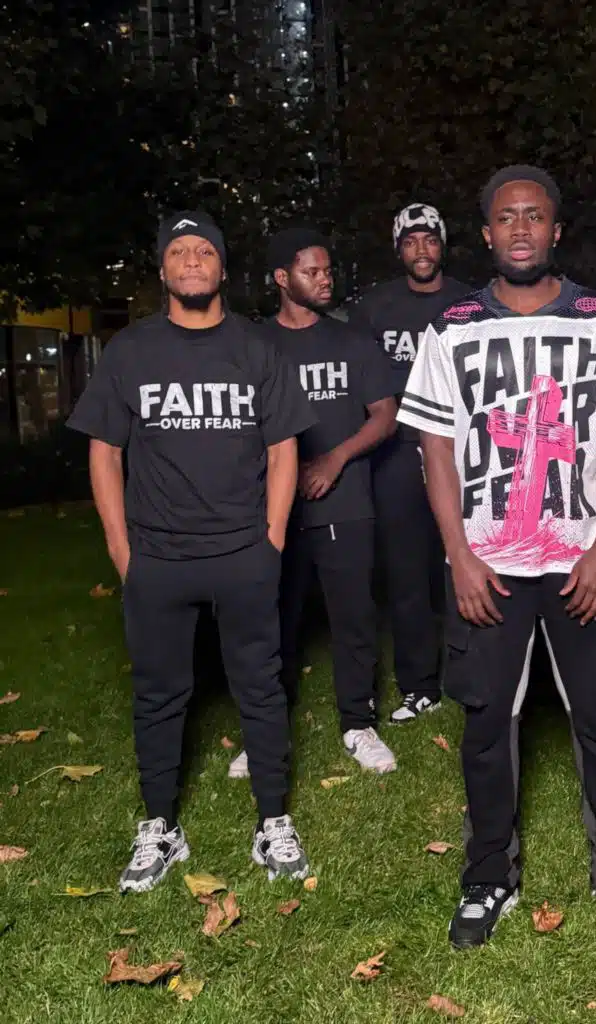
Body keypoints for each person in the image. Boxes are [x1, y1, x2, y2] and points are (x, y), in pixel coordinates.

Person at [397, 165, 596, 948]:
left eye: (535, 216)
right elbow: (435, 449)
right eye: (507, 217)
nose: (521, 228)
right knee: (487, 725)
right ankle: (488, 875)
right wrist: (459, 555)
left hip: (581, 562)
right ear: (487, 234)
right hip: (488, 565)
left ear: (556, 230)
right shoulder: (449, 329)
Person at [67, 211, 316, 892]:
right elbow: (104, 452)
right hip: (158, 558)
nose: (192, 260)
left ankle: (273, 821)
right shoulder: (131, 350)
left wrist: (270, 541)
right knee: (157, 695)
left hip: (243, 552)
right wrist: (122, 550)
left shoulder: (257, 347)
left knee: (260, 688)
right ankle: (160, 827)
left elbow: (283, 448)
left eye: (204, 250)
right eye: (179, 251)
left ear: (223, 268)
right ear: (162, 269)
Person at [227, 228, 400, 780]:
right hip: (273, 511)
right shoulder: (253, 345)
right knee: (271, 621)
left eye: (328, 270)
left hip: (345, 504)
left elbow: (386, 415)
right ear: (282, 278)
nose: (326, 280)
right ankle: (264, 732)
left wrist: (335, 459)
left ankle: (358, 723)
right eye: (312, 272)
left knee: (354, 619)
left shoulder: (352, 341)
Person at [350, 204, 473, 723]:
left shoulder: (471, 302)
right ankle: (419, 685)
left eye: (430, 240)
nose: (421, 250)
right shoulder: (374, 308)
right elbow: (360, 384)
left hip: (464, 452)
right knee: (406, 575)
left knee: (469, 563)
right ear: (398, 249)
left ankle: (473, 674)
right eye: (410, 241)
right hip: (397, 453)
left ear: (443, 245)